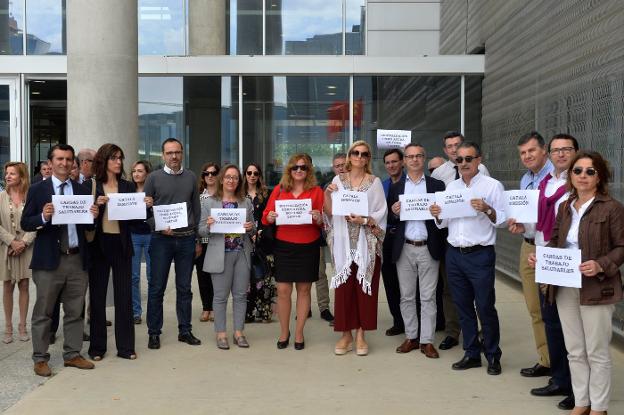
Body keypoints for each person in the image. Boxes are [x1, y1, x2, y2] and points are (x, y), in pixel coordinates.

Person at [529, 151, 624, 415]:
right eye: (577, 171)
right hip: (564, 284)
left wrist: (601, 264)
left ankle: (600, 407)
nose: (583, 176)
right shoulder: (565, 206)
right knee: (574, 350)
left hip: (596, 286)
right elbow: (556, 240)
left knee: (596, 350)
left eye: (590, 171)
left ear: (600, 176)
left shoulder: (612, 208)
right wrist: (542, 255)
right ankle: (582, 402)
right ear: (570, 175)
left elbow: (622, 246)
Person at [511, 133, 578, 410]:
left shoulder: (580, 182)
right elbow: (538, 223)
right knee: (550, 319)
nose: (561, 155)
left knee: (571, 326)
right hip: (541, 256)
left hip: (566, 260)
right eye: (556, 151)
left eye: (566, 150)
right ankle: (559, 378)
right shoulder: (547, 184)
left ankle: (578, 388)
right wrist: (522, 228)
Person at [21, 143, 99, 377]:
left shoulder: (82, 190)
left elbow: (87, 226)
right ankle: (40, 358)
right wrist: (43, 216)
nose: (64, 163)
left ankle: (72, 354)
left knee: (75, 310)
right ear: (50, 163)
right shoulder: (37, 190)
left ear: (73, 163)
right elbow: (26, 223)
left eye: (68, 159)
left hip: (76, 259)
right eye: (59, 159)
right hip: (48, 262)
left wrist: (93, 217)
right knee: (43, 311)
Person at [430, 141, 505, 375]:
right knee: (462, 307)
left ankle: (492, 355)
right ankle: (471, 353)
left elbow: (502, 219)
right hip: (454, 253)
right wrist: (437, 215)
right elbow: (443, 223)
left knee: (484, 307)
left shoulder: (493, 186)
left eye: (468, 159)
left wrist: (487, 208)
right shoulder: (450, 188)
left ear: (478, 160)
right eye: (459, 159)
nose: (463, 163)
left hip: (480, 254)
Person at [325, 140, 387, 356]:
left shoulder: (375, 182)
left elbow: (381, 211)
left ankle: (361, 333)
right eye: (356, 153)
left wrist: (365, 219)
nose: (360, 157)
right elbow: (330, 211)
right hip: (343, 242)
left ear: (368, 158)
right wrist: (327, 194)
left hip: (366, 244)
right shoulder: (338, 180)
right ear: (350, 156)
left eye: (364, 154)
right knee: (344, 291)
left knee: (365, 290)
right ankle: (346, 334)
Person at [431, 131, 490, 351]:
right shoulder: (439, 173)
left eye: (458, 144)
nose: (455, 149)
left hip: (476, 239)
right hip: (451, 237)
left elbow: (488, 201)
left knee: (480, 293)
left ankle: (483, 332)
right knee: (451, 290)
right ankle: (453, 332)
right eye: (450, 146)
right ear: (445, 150)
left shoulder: (480, 170)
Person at [387, 144, 445, 357]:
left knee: (428, 297)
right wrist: (393, 212)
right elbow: (391, 218)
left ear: (424, 158)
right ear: (404, 161)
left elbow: (444, 219)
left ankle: (427, 341)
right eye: (409, 157)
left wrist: (439, 213)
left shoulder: (437, 185)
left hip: (428, 247)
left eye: (418, 156)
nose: (414, 160)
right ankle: (411, 337)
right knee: (407, 296)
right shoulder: (396, 187)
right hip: (405, 247)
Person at [145, 137, 202, 350]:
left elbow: (195, 210)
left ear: (182, 153)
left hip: (186, 239)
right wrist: (156, 225)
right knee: (156, 287)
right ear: (163, 155)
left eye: (177, 152)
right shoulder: (153, 178)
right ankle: (153, 332)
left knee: (185, 288)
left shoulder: (191, 177)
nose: (174, 156)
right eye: (169, 153)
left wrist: (197, 239)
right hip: (161, 240)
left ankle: (185, 330)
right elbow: (145, 210)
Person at [263, 154, 324, 350]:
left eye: (303, 167)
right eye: (295, 167)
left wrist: (319, 217)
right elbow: (265, 218)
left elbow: (324, 222)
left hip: (308, 245)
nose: (299, 170)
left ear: (309, 171)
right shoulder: (280, 190)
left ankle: (298, 332)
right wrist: (271, 216)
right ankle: (284, 332)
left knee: (304, 290)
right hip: (284, 246)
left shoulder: (316, 191)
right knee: (283, 291)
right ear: (289, 170)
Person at [86, 143, 141, 361]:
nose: (119, 162)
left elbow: (136, 222)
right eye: (114, 158)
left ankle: (126, 347)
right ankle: (97, 347)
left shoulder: (127, 187)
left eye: (120, 158)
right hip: (98, 245)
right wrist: (95, 209)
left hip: (121, 244)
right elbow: (85, 223)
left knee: (124, 296)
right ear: (104, 161)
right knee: (98, 297)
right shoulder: (92, 187)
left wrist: (144, 206)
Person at [507, 131, 553, 378]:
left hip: (550, 248)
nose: (527, 156)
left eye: (531, 151)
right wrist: (521, 225)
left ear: (544, 150)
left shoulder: (557, 179)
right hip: (528, 246)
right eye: (523, 153)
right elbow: (530, 218)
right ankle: (546, 359)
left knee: (553, 309)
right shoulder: (526, 180)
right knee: (535, 308)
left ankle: (562, 362)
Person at [199, 164, 255, 349]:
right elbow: (200, 230)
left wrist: (250, 228)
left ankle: (239, 332)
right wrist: (208, 225)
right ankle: (221, 333)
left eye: (235, 177)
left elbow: (253, 227)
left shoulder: (245, 202)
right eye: (228, 177)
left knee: (240, 295)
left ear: (239, 181)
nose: (231, 180)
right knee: (220, 296)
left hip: (241, 253)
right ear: (222, 179)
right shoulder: (209, 202)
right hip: (219, 253)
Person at [1, 162, 36, 343]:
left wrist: (23, 242)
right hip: (6, 249)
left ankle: (22, 326)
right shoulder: (0, 197)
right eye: (6, 173)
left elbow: (38, 222)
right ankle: (8, 328)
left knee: (24, 285)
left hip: (26, 248)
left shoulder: (30, 196)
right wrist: (11, 242)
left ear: (21, 176)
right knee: (7, 286)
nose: (8, 176)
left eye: (12, 173)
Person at [243, 162, 275, 323]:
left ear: (259, 176)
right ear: (245, 175)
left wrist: (260, 232)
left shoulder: (266, 194)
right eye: (249, 173)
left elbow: (270, 215)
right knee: (247, 279)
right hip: (244, 240)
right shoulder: (239, 195)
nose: (252, 176)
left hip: (264, 240)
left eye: (256, 173)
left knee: (264, 278)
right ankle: (247, 313)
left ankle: (263, 312)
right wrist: (249, 233)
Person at [380, 148, 406, 336]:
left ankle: (413, 321)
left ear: (402, 162)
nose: (391, 165)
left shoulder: (411, 184)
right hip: (387, 238)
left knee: (409, 283)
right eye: (387, 163)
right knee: (390, 281)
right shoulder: (382, 185)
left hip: (406, 238)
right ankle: (398, 321)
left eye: (394, 161)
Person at [129, 160, 152, 324]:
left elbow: (161, 213)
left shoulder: (153, 191)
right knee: (134, 277)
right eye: (134, 171)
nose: (136, 174)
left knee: (153, 276)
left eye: (140, 171)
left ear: (147, 173)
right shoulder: (128, 190)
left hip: (151, 235)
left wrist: (152, 205)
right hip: (133, 235)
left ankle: (153, 310)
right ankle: (136, 312)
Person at [195, 162, 218, 323]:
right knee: (203, 276)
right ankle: (206, 308)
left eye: (213, 173)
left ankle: (215, 307)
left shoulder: (224, 195)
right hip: (202, 241)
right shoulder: (197, 196)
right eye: (206, 173)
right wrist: (196, 241)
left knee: (217, 277)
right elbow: (195, 220)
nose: (210, 176)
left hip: (219, 241)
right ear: (203, 176)